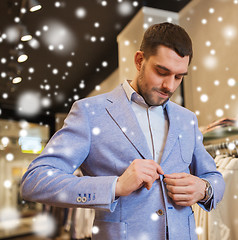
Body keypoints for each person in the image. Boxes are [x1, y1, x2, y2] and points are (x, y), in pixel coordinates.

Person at [20, 22, 225, 240]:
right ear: (139, 61)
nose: (170, 86)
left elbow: (213, 177)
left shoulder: (187, 119)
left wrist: (204, 189)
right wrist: (115, 186)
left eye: (179, 76)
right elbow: (35, 181)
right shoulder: (90, 113)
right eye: (162, 72)